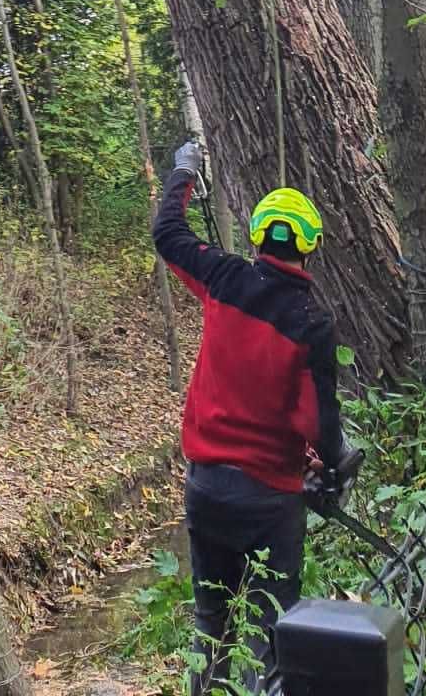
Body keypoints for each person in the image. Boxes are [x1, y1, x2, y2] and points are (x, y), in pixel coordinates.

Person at [152, 142, 347, 695]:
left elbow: (169, 235)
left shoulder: (224, 277)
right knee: (272, 633)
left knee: (211, 624)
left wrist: (184, 172)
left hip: (207, 487)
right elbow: (318, 422)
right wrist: (331, 465)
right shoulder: (311, 321)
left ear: (260, 238)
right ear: (309, 249)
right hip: (271, 500)